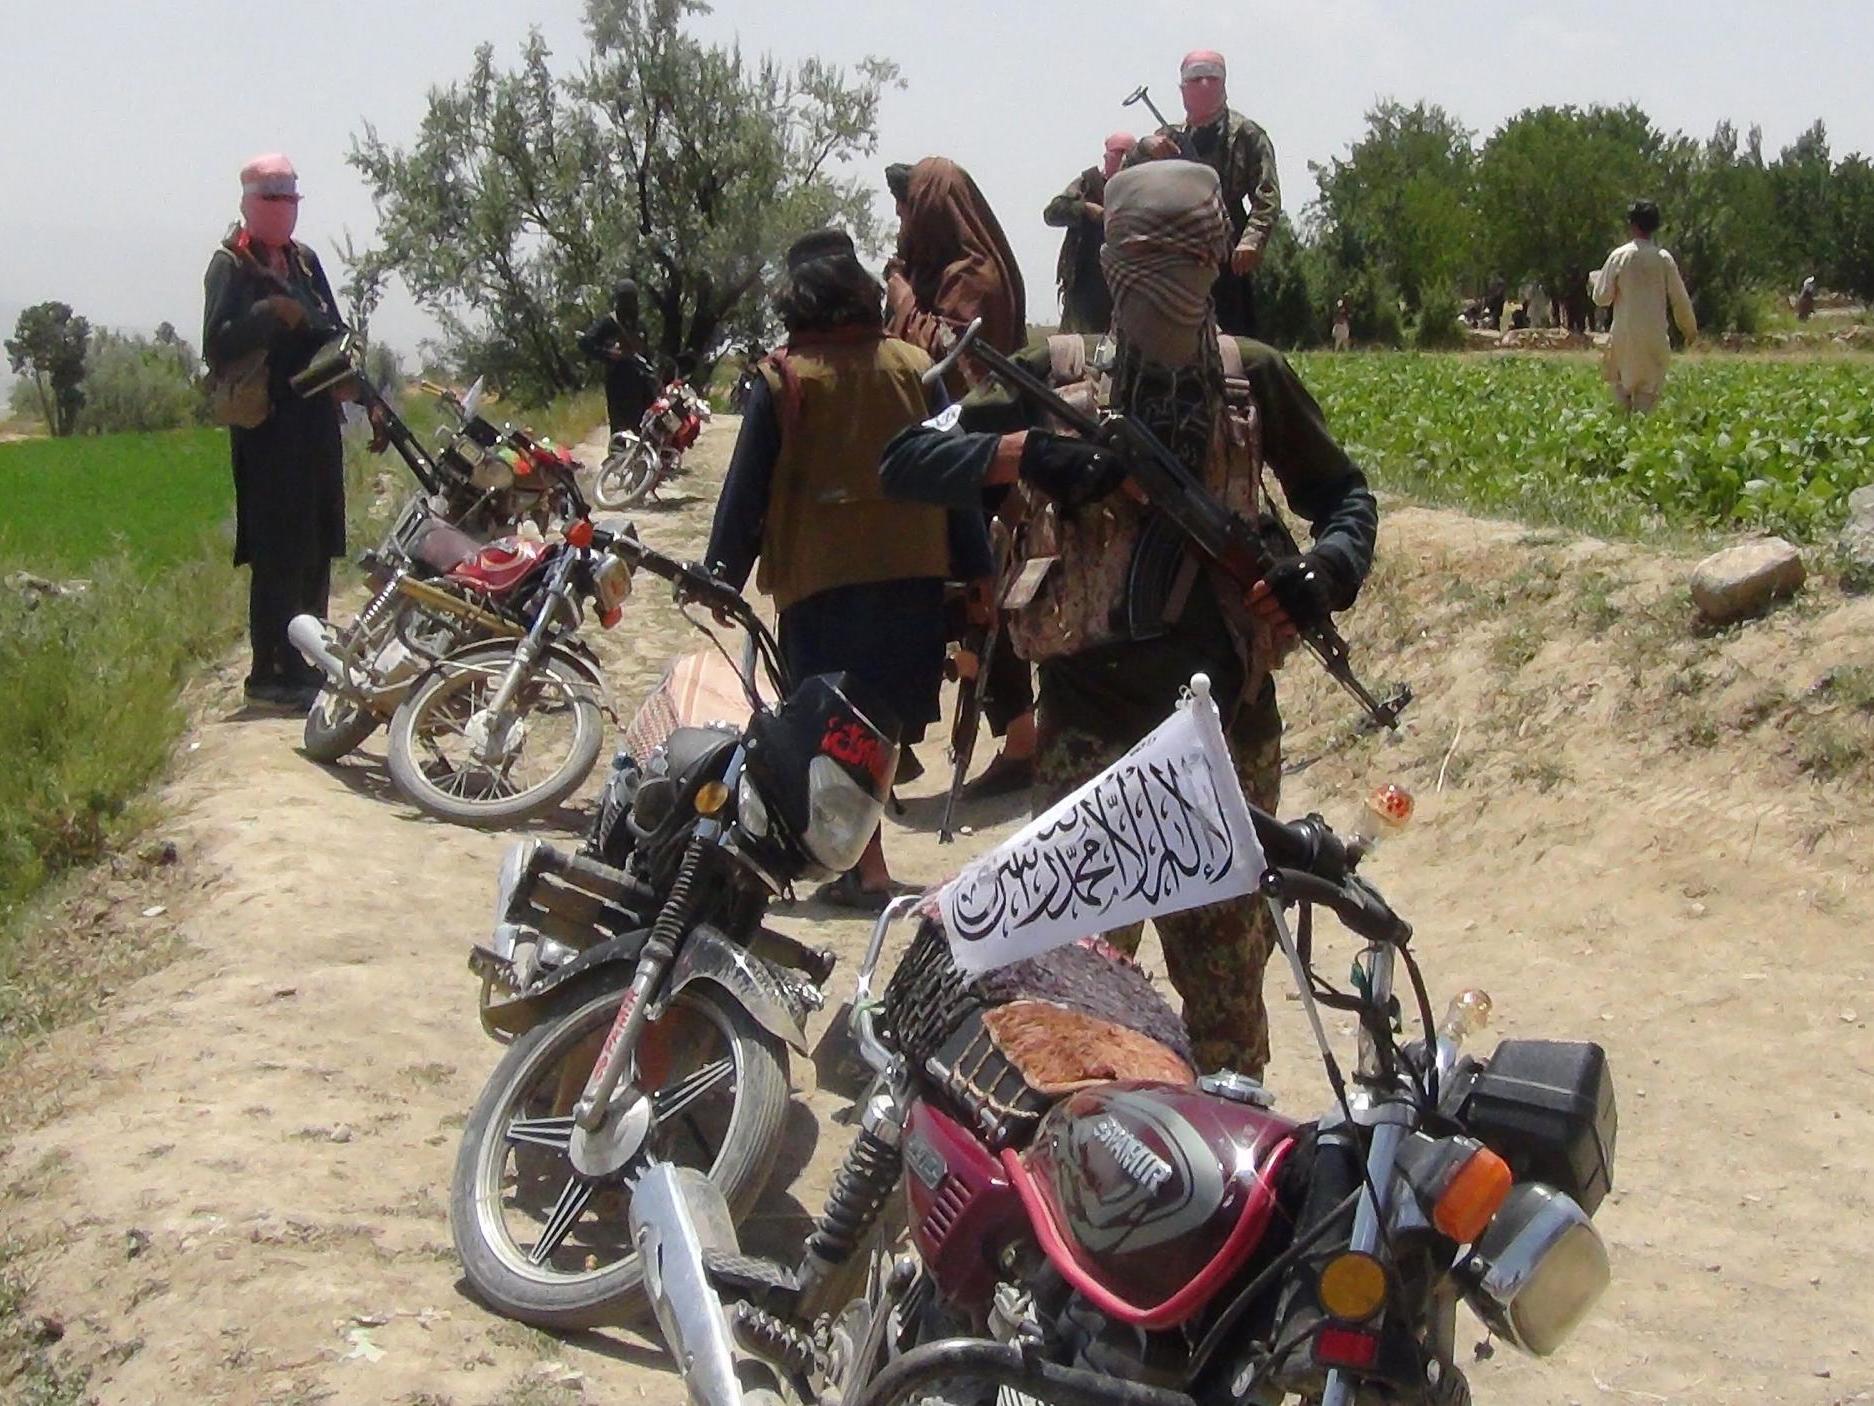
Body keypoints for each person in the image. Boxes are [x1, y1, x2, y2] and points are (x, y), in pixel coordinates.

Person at [880, 161, 1378, 1076]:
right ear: (1114, 267)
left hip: (1223, 747)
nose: (1172, 287)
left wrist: (1324, 572)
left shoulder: (1250, 379)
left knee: (1227, 1015)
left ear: (1216, 262)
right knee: (1073, 1008)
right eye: (1153, 264)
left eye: (1190, 262)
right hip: (1089, 741)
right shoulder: (1054, 377)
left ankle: (1224, 1172)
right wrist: (1031, 454)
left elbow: (1345, 497)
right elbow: (906, 461)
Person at [705, 229, 991, 910]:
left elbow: (747, 488)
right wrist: (977, 567)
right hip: (911, 573)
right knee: (880, 720)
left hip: (822, 580)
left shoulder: (782, 378)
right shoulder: (912, 364)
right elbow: (956, 473)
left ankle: (866, 866)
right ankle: (867, 861)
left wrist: (722, 570)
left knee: (831, 721)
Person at [202, 153, 347, 712]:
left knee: (316, 543)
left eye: (288, 201)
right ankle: (269, 669)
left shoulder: (305, 262)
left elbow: (330, 324)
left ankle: (306, 660)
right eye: (270, 200)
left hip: (314, 423)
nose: (281, 211)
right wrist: (271, 312)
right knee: (276, 548)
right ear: (247, 204)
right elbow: (218, 342)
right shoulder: (230, 266)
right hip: (267, 431)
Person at [1134, 50, 1281, 337]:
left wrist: (1251, 241)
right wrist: (1144, 147)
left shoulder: (1246, 134)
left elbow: (1267, 196)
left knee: (1234, 342)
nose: (1203, 85)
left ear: (1224, 84)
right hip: (1175, 248)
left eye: (1211, 77)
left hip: (1226, 247)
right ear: (1181, 88)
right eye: (1195, 78)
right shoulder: (1168, 135)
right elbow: (1128, 180)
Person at [884, 156, 1028, 368]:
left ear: (932, 212)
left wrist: (903, 300)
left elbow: (953, 355)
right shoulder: (929, 269)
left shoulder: (974, 277)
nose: (899, 212)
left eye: (909, 207)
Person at [1591, 200, 1698, 413]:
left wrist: (1595, 280)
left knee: (1621, 398)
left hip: (1624, 337)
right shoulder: (1664, 259)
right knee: (1646, 403)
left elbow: (1601, 298)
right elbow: (1680, 300)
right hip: (1654, 337)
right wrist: (1689, 330)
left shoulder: (1619, 256)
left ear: (1632, 225)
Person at [1043, 133, 1136, 334]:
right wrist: (1084, 209)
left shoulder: (1137, 188)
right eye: (1115, 155)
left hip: (1124, 285)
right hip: (1084, 286)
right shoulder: (1087, 184)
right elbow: (1052, 214)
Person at [578, 279, 657, 438]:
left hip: (641, 387)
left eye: (631, 299)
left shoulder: (639, 326)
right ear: (618, 300)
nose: (629, 304)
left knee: (646, 431)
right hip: (618, 387)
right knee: (620, 434)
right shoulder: (608, 323)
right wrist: (608, 354)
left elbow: (647, 354)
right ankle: (617, 462)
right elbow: (585, 342)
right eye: (625, 299)